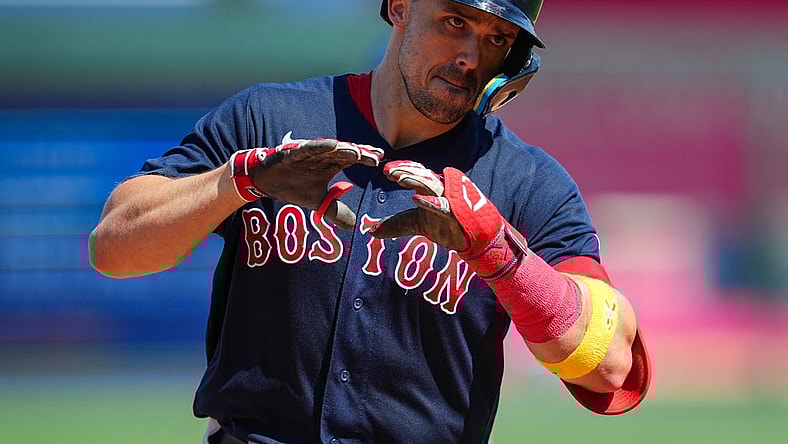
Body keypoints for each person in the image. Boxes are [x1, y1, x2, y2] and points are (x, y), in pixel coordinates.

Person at [90, 0, 651, 442]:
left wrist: (501, 256)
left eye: (497, 38)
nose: (470, 56)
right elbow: (113, 247)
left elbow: (611, 368)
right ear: (401, 5)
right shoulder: (270, 119)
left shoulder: (529, 184)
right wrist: (239, 181)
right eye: (455, 21)